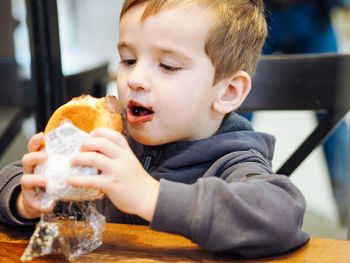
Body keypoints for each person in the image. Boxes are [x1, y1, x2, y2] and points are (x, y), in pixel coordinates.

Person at [0, 0, 309, 258]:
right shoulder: (104, 143)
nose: (135, 79)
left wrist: (150, 196)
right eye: (128, 59)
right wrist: (25, 200)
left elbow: (282, 216)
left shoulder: (233, 160)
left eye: (168, 66)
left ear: (227, 91)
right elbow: (10, 179)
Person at [261, 0, 350, 226]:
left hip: (312, 14)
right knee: (233, 107)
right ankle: (224, 198)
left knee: (334, 117)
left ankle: (348, 210)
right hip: (260, 11)